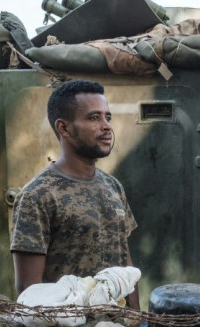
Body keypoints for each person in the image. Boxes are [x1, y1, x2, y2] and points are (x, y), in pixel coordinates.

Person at [10, 79, 139, 308]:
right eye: (93, 118)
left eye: (107, 117)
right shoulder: (37, 195)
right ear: (64, 128)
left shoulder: (113, 186)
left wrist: (136, 322)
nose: (106, 126)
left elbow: (127, 268)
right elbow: (29, 290)